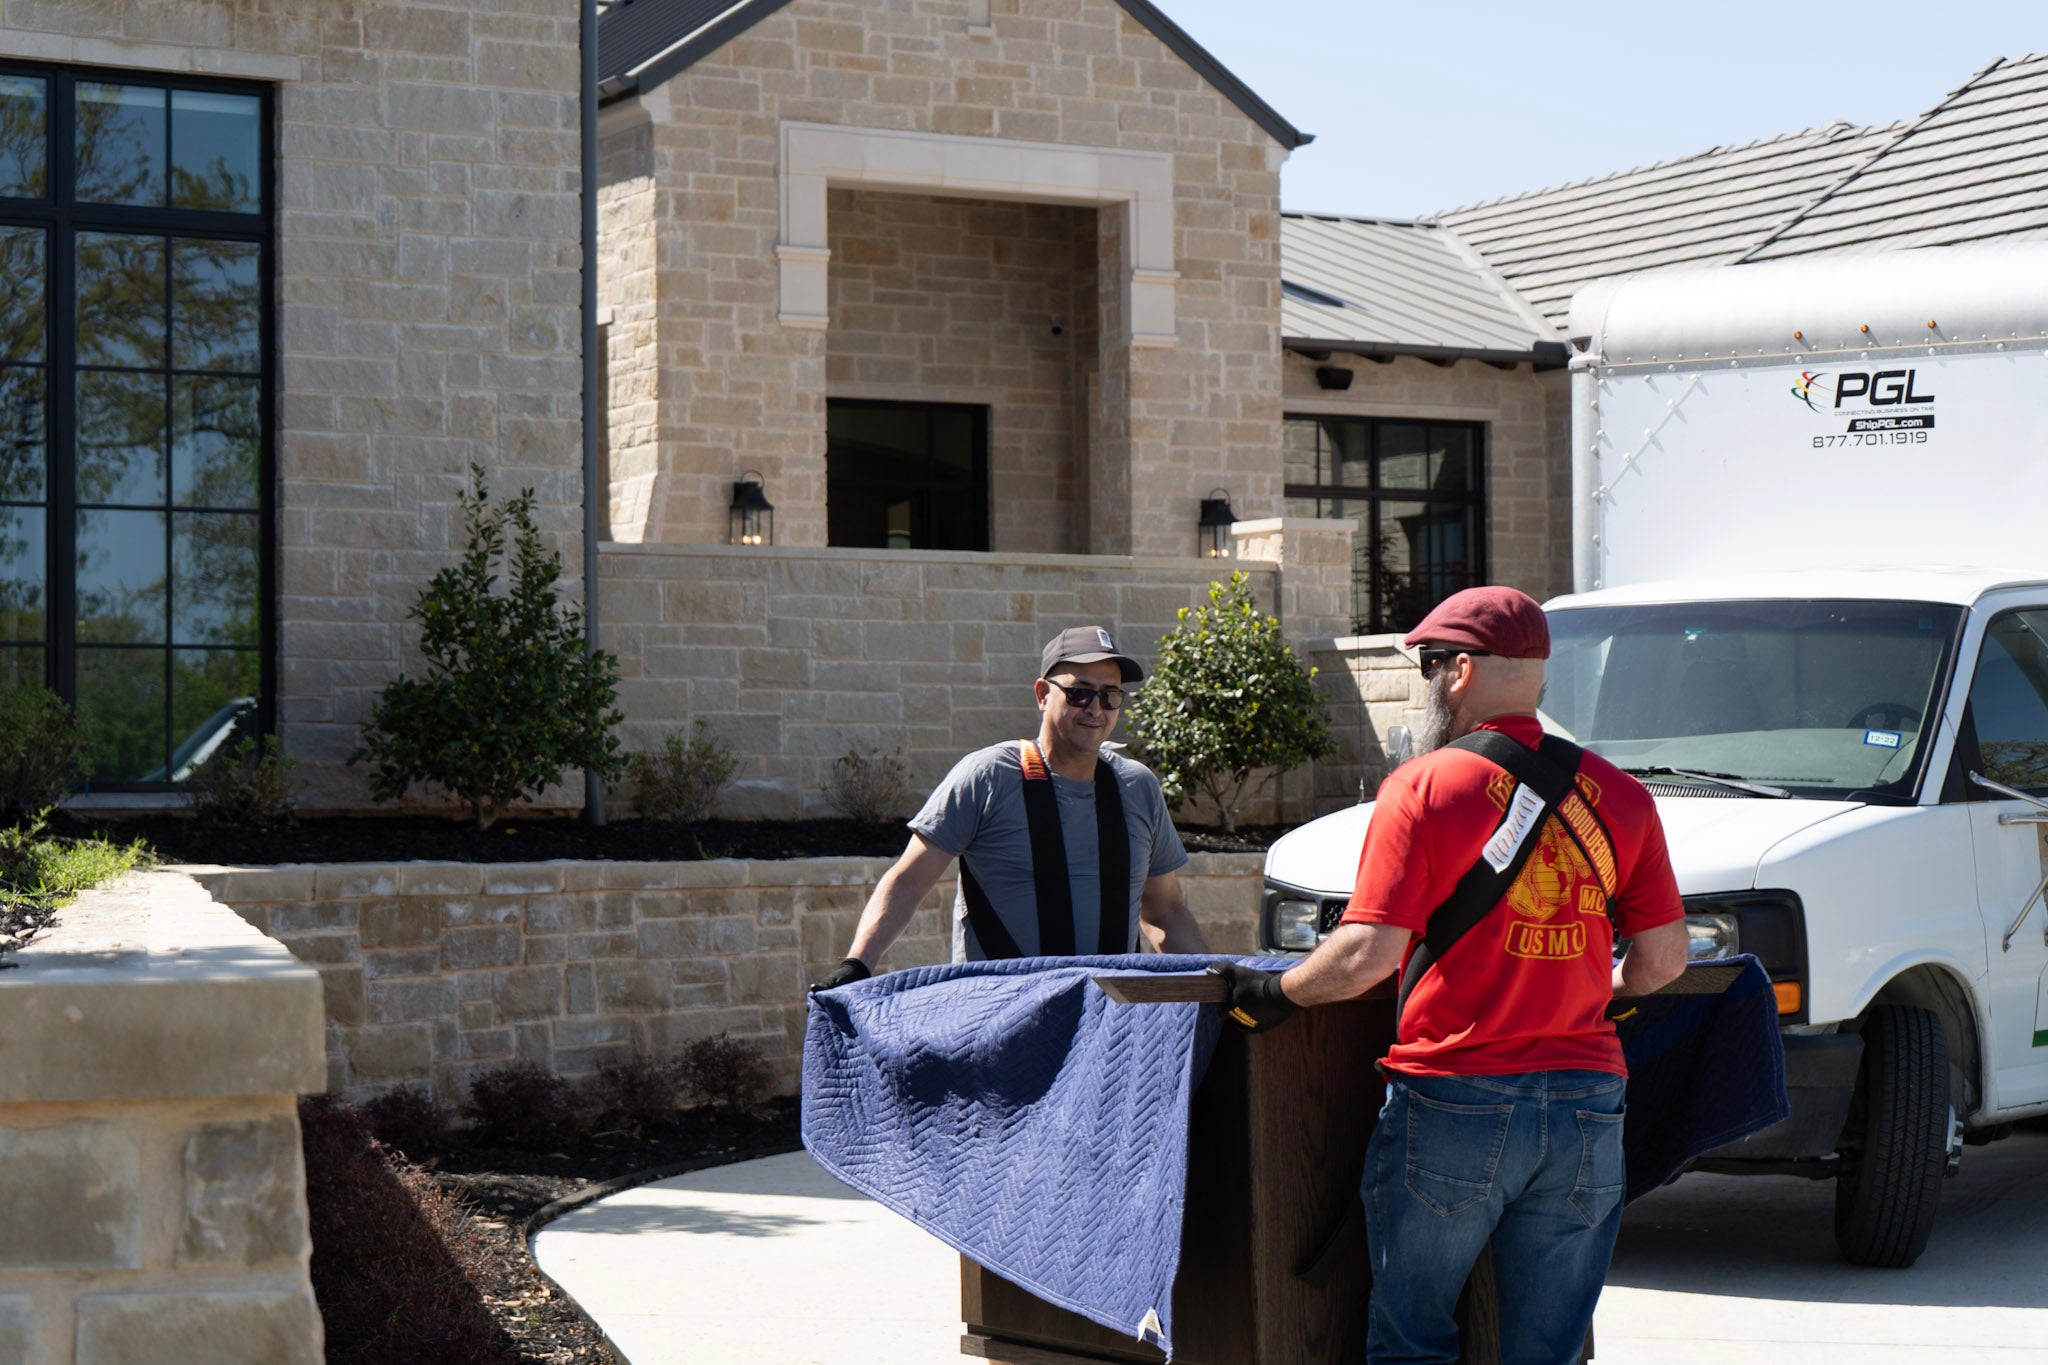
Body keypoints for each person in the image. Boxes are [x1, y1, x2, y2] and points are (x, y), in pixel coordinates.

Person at [1210, 586, 1688, 1365]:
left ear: (1460, 669)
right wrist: (1596, 990)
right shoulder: (1625, 798)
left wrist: (1273, 993)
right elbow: (1664, 961)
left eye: (1430, 665)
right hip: (1587, 1103)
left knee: (1413, 1342)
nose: (1427, 683)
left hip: (1457, 1092)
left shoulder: (1423, 786)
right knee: (1553, 1351)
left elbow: (1366, 954)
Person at [812, 625, 1207, 988]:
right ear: (1042, 694)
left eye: (1110, 695)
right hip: (999, 1015)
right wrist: (857, 964)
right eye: (1079, 692)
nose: (1095, 708)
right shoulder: (988, 776)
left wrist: (1215, 983)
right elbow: (910, 880)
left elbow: (1165, 911)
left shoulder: (1137, 787)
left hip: (1107, 1022)